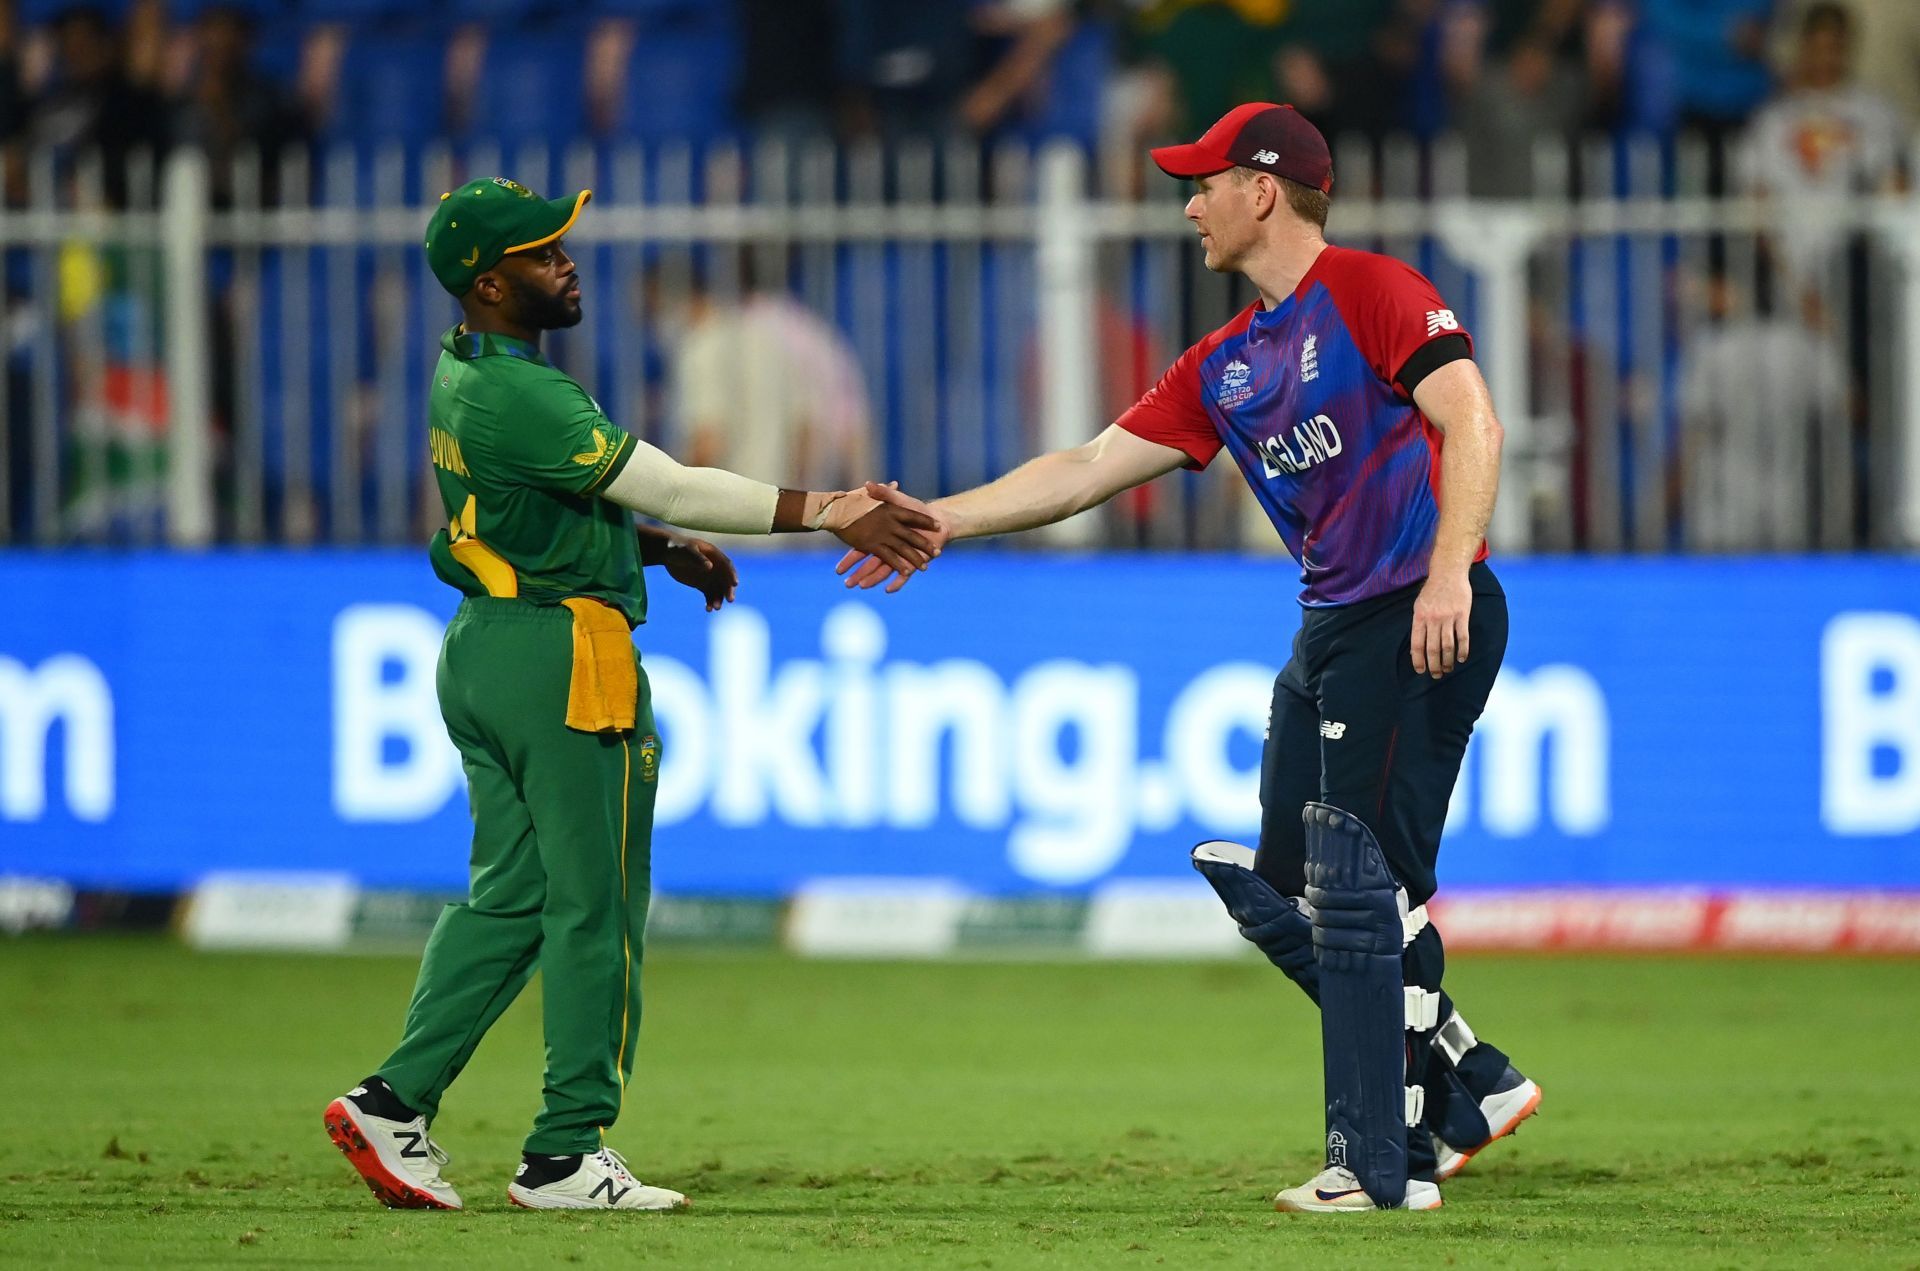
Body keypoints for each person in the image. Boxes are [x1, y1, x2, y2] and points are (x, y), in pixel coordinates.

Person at [839, 104, 1540, 1212]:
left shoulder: (1372, 290)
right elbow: (1082, 465)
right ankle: (1465, 1075)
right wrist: (939, 519)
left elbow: (1476, 422)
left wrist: (1452, 569)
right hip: (1331, 630)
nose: (1188, 202)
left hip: (1417, 611)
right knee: (1284, 884)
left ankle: (1380, 1163)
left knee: (1361, 888)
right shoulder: (1228, 360)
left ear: (1264, 190)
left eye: (1204, 180)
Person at [322, 177, 938, 1213]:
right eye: (541, 252)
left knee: (511, 897)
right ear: (487, 282)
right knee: (596, 903)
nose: (568, 261)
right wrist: (829, 507)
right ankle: (566, 1150)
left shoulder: (464, 369)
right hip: (567, 658)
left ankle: (393, 1099)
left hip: (485, 646)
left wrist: (650, 551)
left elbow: (542, 504)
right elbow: (675, 480)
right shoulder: (527, 394)